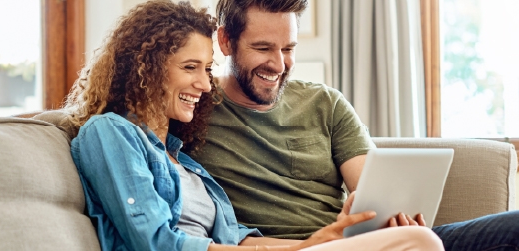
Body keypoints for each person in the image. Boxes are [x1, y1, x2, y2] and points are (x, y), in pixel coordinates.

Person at [63, 1, 443, 251]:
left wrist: (313, 243)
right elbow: (156, 242)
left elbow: (239, 239)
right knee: (420, 243)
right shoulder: (109, 133)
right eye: (190, 68)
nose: (202, 84)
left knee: (428, 237)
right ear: (146, 68)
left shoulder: (183, 158)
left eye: (205, 69)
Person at [187, 0, 519, 250]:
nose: (278, 64)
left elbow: (374, 189)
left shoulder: (324, 103)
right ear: (226, 40)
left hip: (362, 242)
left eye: (288, 49)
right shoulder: (191, 109)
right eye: (262, 48)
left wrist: (391, 213)